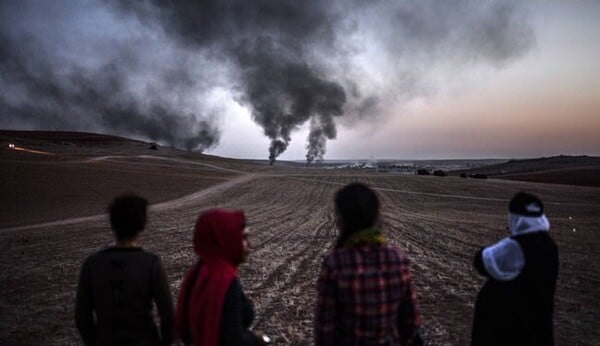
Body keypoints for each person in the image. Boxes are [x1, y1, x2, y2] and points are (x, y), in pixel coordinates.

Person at [315, 182, 422, 345]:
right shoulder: (396, 258)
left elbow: (325, 330)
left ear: (341, 219)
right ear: (376, 215)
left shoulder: (335, 263)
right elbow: (411, 321)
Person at [75, 194, 174, 345]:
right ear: (142, 225)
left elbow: (82, 316)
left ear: (113, 223)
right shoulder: (151, 263)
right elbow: (167, 315)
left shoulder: (92, 264)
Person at [471, 191, 559, 346]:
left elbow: (482, 261)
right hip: (538, 330)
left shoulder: (517, 246)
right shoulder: (549, 245)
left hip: (509, 332)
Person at [175, 209, 265, 346]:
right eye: (243, 237)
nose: (250, 245)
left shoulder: (197, 274)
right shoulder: (224, 279)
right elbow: (233, 340)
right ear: (226, 239)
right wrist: (258, 340)